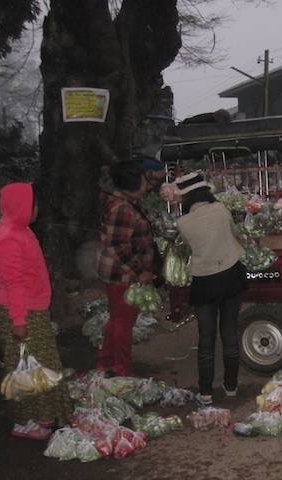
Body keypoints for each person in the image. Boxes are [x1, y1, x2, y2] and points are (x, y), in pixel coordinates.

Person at [0, 182, 72, 440]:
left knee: (42, 365)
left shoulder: (19, 230)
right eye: (33, 205)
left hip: (29, 310)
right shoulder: (7, 239)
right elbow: (13, 284)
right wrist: (18, 320)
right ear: (21, 207)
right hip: (19, 313)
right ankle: (24, 422)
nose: (36, 209)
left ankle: (44, 416)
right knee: (25, 369)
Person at [172, 171, 246, 404]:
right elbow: (236, 235)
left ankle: (205, 391)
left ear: (186, 199)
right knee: (230, 333)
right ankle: (231, 386)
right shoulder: (222, 210)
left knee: (206, 338)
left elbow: (188, 248)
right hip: (231, 276)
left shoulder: (182, 223)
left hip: (204, 281)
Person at [97, 158, 165, 376]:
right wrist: (141, 270)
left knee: (118, 318)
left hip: (120, 272)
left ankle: (106, 363)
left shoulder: (124, 202)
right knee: (123, 322)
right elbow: (119, 245)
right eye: (143, 182)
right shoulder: (122, 208)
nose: (147, 186)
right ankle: (121, 369)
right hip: (122, 274)